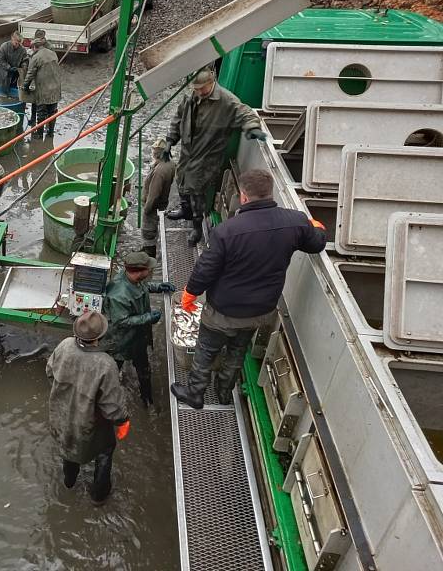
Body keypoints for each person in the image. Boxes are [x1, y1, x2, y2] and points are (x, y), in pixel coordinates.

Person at [170, 169, 327, 409]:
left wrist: (190, 294)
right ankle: (224, 391)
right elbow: (316, 243)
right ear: (269, 192)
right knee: (237, 350)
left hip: (224, 309)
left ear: (243, 196)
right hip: (261, 310)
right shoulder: (294, 222)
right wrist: (316, 226)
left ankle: (195, 393)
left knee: (205, 350)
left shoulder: (227, 231)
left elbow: (206, 269)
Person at [164, 67, 265, 246]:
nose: (199, 92)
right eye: (196, 89)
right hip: (188, 151)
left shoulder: (226, 100)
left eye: (202, 88)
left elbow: (245, 112)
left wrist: (252, 127)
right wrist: (170, 140)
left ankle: (196, 227)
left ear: (212, 83)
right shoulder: (191, 97)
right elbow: (178, 119)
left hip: (208, 156)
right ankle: (185, 210)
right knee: (181, 180)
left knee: (196, 191)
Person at [46, 311, 130, 505]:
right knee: (105, 451)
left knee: (68, 449)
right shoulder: (106, 364)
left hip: (62, 416)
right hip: (91, 425)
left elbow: (50, 372)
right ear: (99, 337)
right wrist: (122, 420)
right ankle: (99, 496)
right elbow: (112, 406)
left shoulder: (65, 346)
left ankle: (69, 482)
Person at [103, 251, 176, 407]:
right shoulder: (118, 295)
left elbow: (142, 286)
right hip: (120, 341)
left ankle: (146, 397)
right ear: (139, 272)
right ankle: (108, 397)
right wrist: (148, 318)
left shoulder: (131, 276)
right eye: (148, 269)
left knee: (143, 368)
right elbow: (121, 321)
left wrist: (158, 287)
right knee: (113, 368)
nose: (150, 271)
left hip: (138, 336)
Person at [141, 137, 176, 258]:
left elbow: (154, 195)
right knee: (152, 229)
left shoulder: (159, 171)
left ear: (157, 153)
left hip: (154, 207)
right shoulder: (170, 164)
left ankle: (149, 254)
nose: (152, 153)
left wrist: (146, 209)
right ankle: (148, 249)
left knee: (148, 231)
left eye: (154, 151)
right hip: (162, 204)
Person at [23, 37, 61, 139]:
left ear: (35, 47)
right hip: (56, 87)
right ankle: (50, 133)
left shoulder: (36, 57)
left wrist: (25, 87)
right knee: (52, 112)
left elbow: (30, 74)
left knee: (41, 112)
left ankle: (39, 135)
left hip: (44, 89)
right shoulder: (53, 53)